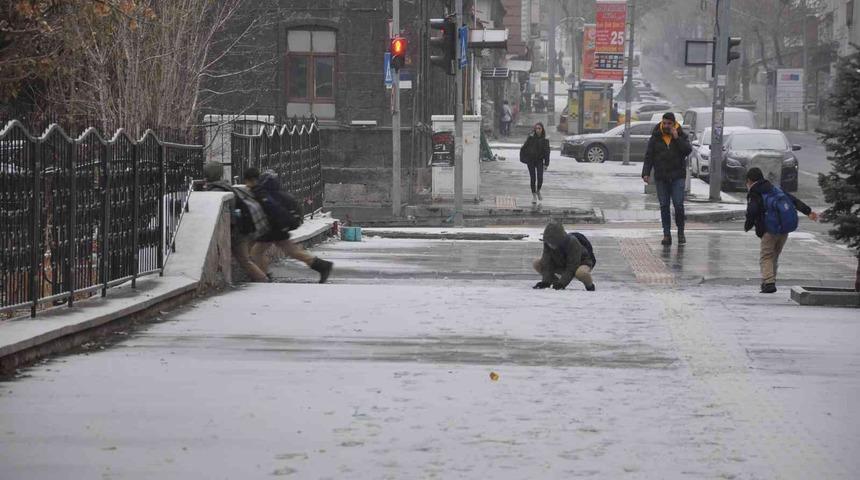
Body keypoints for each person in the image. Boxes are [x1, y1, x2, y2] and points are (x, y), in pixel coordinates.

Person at [243, 167, 334, 284]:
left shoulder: (260, 192)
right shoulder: (263, 190)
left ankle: (263, 276)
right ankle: (322, 266)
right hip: (276, 227)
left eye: (247, 181)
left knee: (257, 252)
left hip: (274, 228)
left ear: (252, 180)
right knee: (291, 251)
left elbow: (273, 209)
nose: (246, 184)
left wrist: (280, 225)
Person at [744, 167, 818, 293]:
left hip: (769, 229)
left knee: (766, 256)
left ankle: (768, 283)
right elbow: (793, 200)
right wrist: (808, 211)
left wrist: (748, 225)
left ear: (749, 180)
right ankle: (769, 281)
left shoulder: (755, 192)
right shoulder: (775, 188)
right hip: (784, 228)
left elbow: (752, 210)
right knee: (774, 255)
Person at [201, 162, 269, 282]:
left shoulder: (217, 191)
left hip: (237, 233)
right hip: (241, 230)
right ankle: (263, 276)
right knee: (250, 257)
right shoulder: (225, 186)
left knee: (245, 260)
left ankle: (264, 280)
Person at [642, 112, 692, 246]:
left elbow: (687, 150)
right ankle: (666, 235)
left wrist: (677, 138)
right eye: (664, 123)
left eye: (669, 124)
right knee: (664, 205)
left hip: (677, 176)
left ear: (674, 123)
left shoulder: (681, 134)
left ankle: (680, 232)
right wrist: (646, 173)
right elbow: (649, 156)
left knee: (678, 205)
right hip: (661, 176)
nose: (666, 126)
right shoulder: (656, 136)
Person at [532, 222, 596, 291]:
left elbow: (572, 266)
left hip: (580, 264)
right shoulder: (547, 242)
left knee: (581, 273)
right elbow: (546, 262)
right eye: (549, 243)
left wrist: (562, 284)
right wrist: (546, 282)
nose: (550, 245)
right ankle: (555, 282)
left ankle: (590, 286)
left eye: (553, 242)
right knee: (537, 263)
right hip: (561, 263)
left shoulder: (572, 242)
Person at [519, 122, 550, 205]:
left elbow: (547, 152)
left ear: (542, 129)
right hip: (531, 161)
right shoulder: (531, 138)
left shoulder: (545, 140)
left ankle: (538, 190)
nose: (538, 130)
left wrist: (546, 164)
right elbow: (523, 148)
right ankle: (534, 196)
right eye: (536, 128)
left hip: (539, 161)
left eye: (539, 128)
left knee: (540, 178)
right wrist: (524, 158)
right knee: (533, 178)